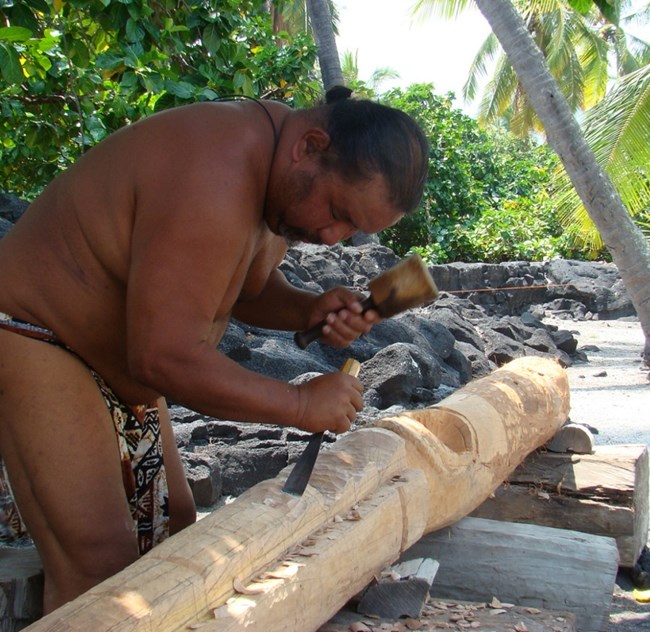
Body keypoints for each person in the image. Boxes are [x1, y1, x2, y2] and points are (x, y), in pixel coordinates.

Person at [0, 87, 429, 612]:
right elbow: (164, 356)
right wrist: (299, 404)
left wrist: (305, 308)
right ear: (310, 146)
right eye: (337, 212)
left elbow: (238, 285)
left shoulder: (277, 179)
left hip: (110, 363)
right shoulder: (215, 170)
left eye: (351, 229)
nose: (332, 236)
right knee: (98, 564)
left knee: (171, 534)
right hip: (32, 332)